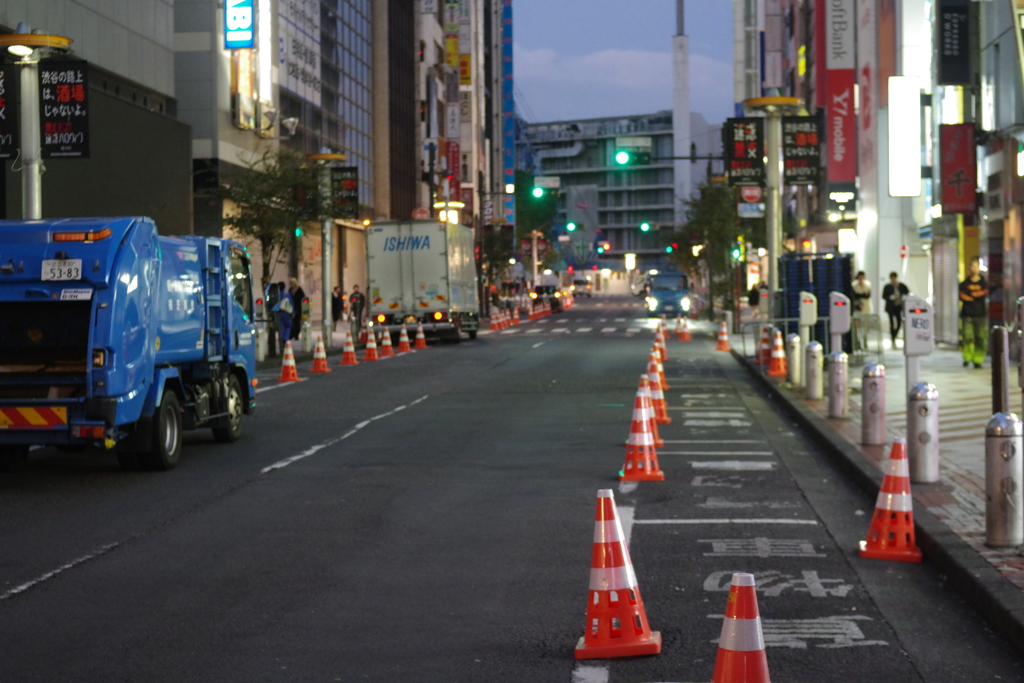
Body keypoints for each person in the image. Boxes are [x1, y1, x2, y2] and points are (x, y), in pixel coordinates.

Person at [960, 256, 989, 368]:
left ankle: (978, 360)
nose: (974, 269)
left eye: (976, 266)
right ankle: (967, 357)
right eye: (972, 266)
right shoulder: (964, 284)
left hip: (980, 315)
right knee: (967, 337)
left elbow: (983, 294)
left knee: (981, 337)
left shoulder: (983, 283)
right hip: (967, 314)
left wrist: (972, 296)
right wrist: (973, 296)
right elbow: (962, 296)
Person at [881, 271, 909, 347]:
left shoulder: (901, 286)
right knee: (892, 323)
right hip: (890, 307)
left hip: (898, 306)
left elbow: (907, 293)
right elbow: (884, 296)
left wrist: (901, 297)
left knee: (899, 323)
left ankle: (894, 335)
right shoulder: (887, 287)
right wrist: (891, 297)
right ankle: (893, 338)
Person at [851, 271, 872, 350]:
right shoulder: (854, 285)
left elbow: (868, 295)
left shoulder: (867, 285)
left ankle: (865, 341)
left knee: (865, 325)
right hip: (858, 308)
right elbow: (855, 295)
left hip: (866, 308)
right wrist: (863, 294)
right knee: (857, 326)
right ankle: (858, 341)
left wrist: (862, 295)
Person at [275, 281, 294, 348]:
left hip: (279, 313)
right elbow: (290, 304)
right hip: (286, 313)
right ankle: (285, 338)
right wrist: (293, 313)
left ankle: (282, 341)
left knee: (281, 327)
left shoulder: (276, 294)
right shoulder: (287, 294)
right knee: (288, 326)